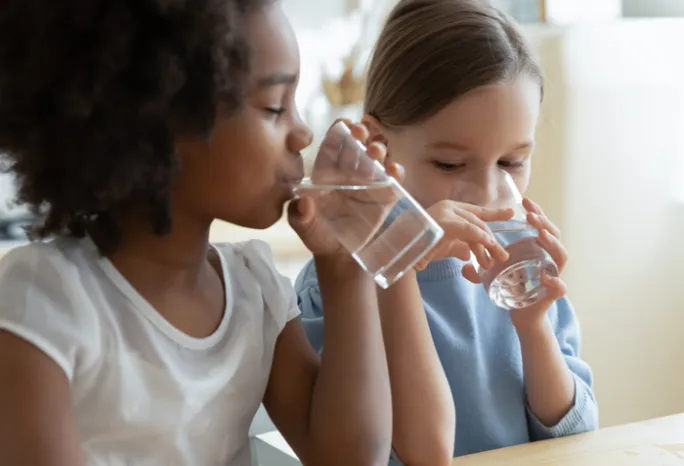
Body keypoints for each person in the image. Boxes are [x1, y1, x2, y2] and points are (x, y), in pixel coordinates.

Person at [0, 0, 455, 464]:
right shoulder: (45, 301)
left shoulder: (253, 291)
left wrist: (344, 264)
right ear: (159, 122)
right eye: (275, 107)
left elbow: (353, 458)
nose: (302, 134)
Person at [296, 0, 599, 458]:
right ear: (376, 146)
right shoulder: (338, 282)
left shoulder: (517, 275)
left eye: (512, 162)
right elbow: (412, 453)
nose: (490, 193)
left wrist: (534, 328)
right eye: (451, 164)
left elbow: (576, 438)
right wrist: (398, 251)